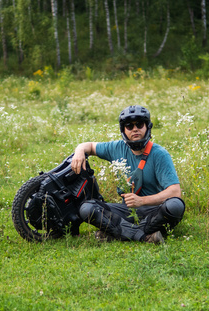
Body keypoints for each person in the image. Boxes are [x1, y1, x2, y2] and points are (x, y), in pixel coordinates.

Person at [71, 105, 185, 244]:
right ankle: (145, 236)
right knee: (86, 208)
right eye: (129, 126)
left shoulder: (159, 154)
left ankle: (119, 233)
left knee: (175, 205)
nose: (135, 129)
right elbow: (88, 146)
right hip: (126, 212)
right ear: (123, 130)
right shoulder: (117, 147)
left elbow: (175, 192)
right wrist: (79, 152)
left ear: (147, 127)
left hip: (153, 213)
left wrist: (142, 201)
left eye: (139, 124)